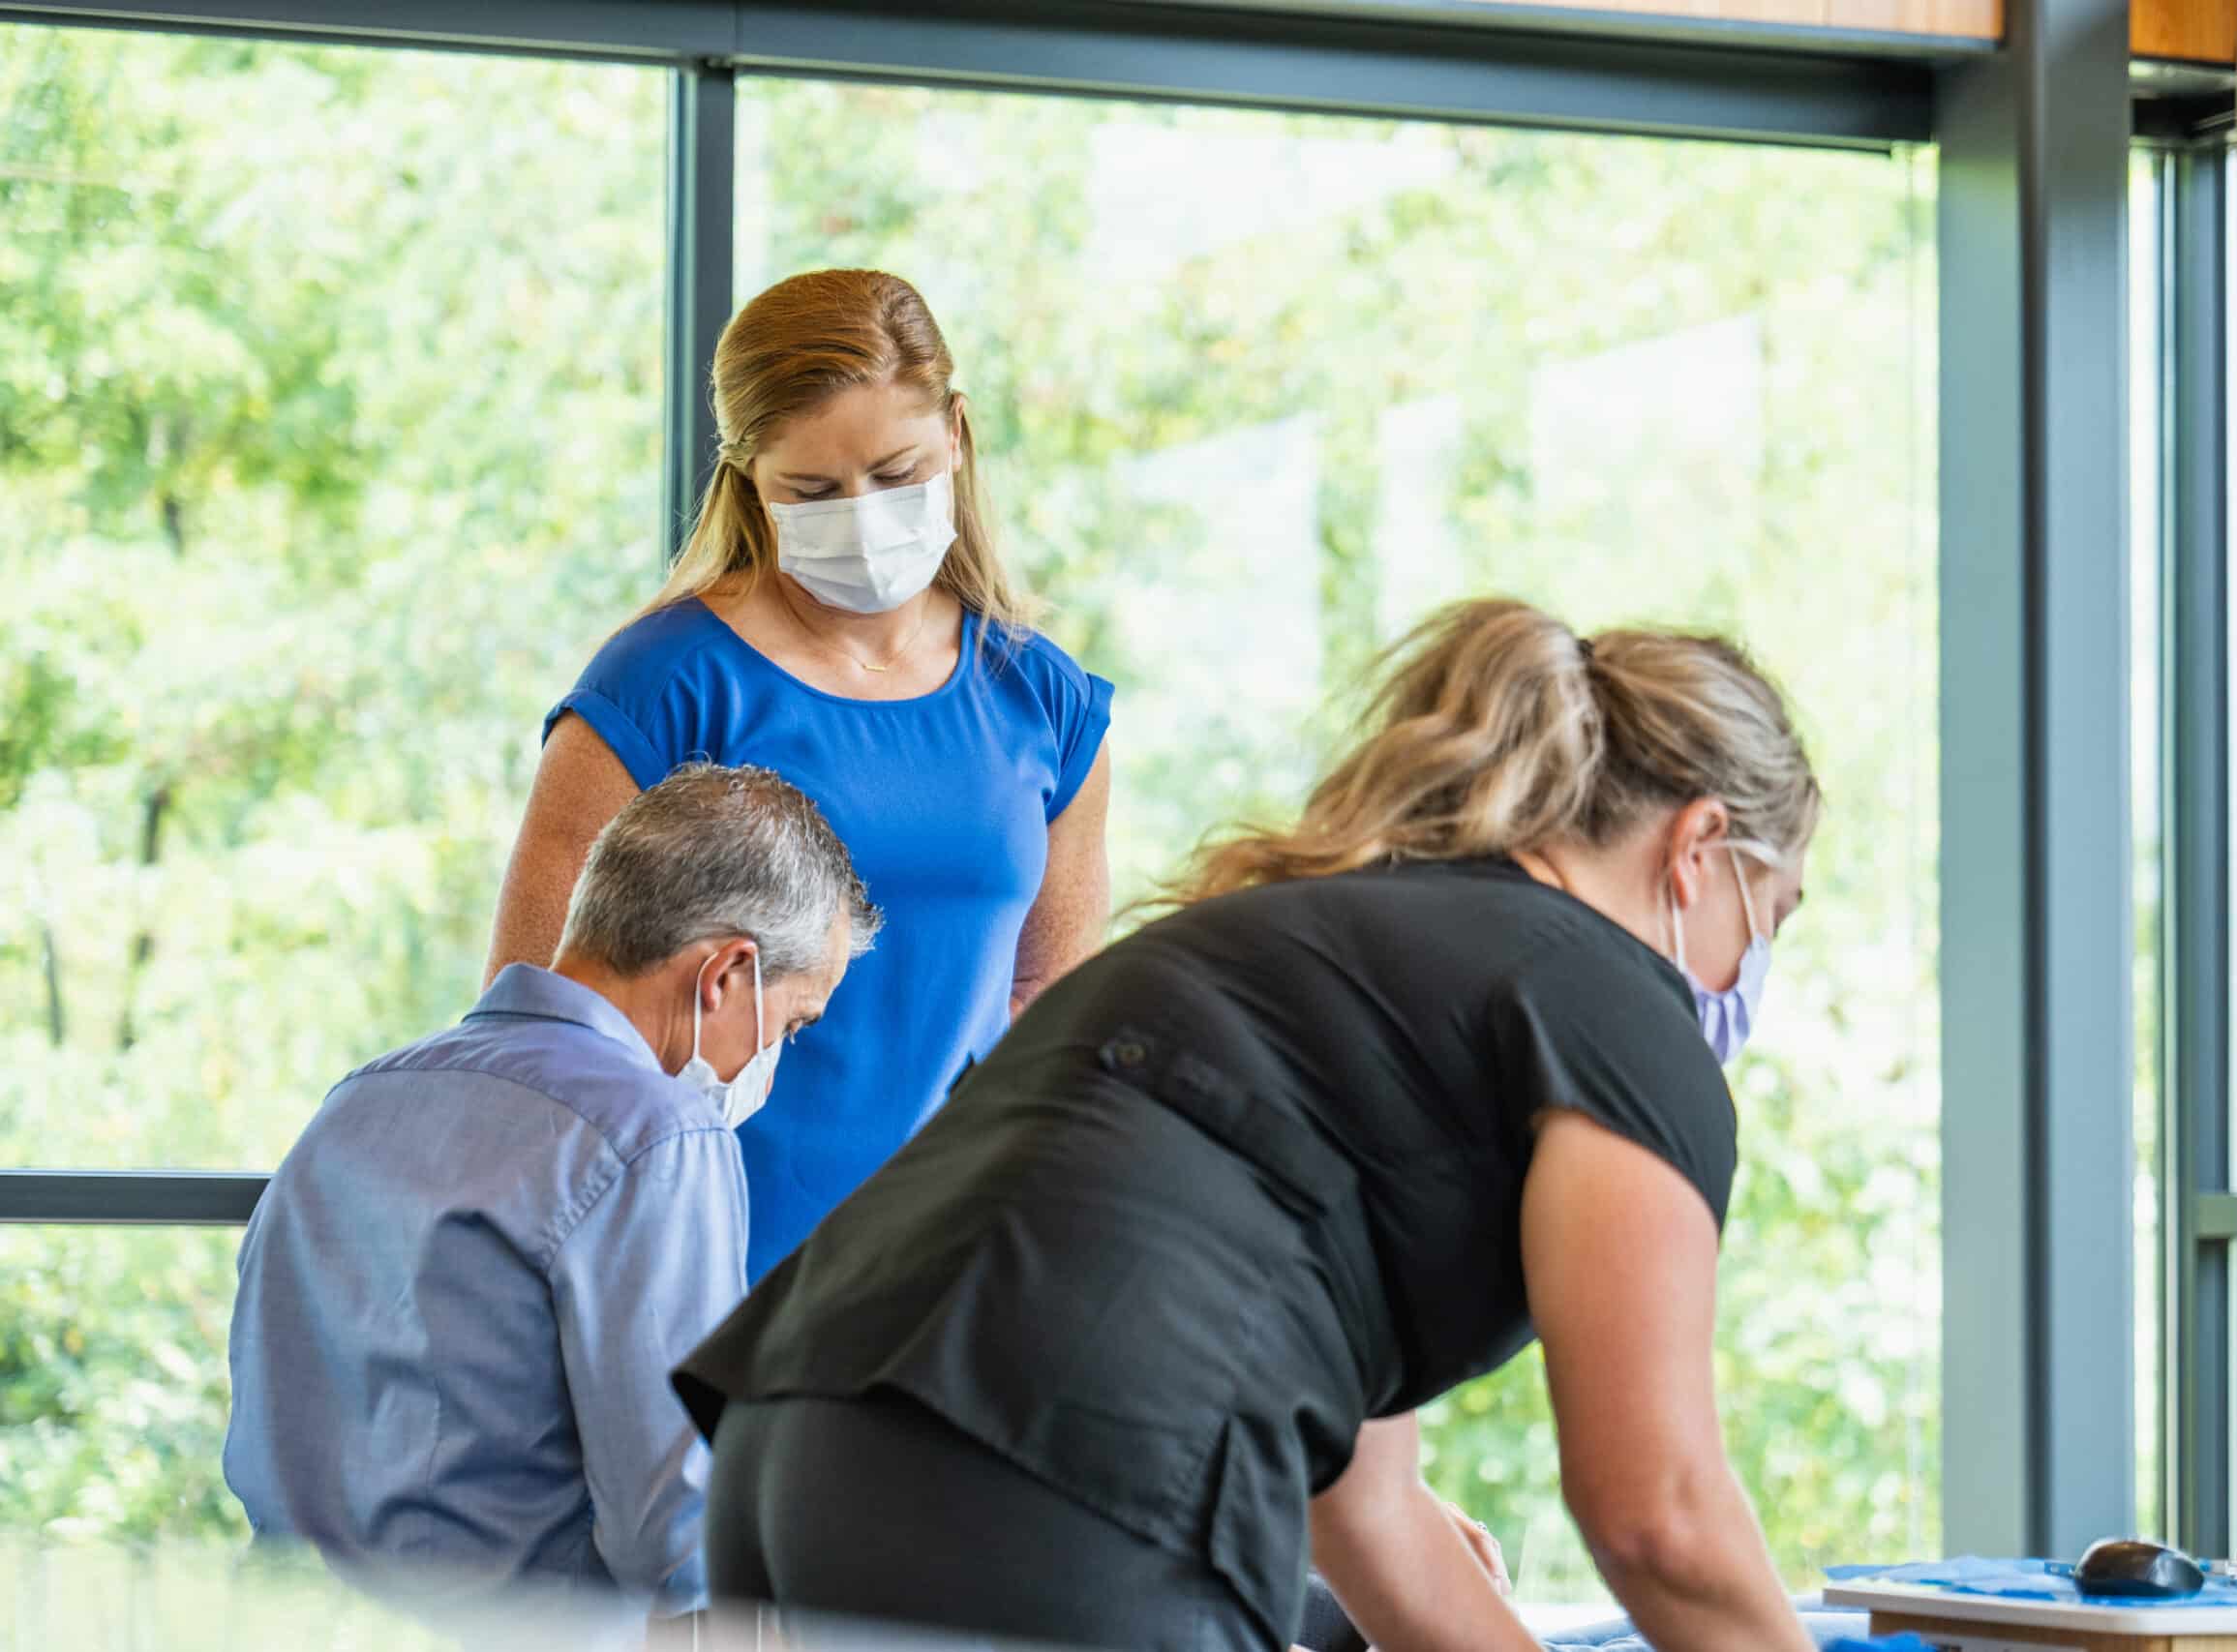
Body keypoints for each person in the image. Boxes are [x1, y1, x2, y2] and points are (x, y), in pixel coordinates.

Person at [675, 599, 1822, 1652]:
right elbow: (1656, 1514)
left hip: (798, 1442)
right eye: (1769, 916)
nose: (1747, 971)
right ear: (1697, 850)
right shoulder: (1620, 1009)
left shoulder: (1318, 945)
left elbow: (1370, 1516)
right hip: (1066, 1463)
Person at [487, 269, 1112, 1280]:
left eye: (896, 471)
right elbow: (532, 1023)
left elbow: (1052, 1006)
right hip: (691, 1268)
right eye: (812, 494)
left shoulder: (1043, 701)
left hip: (955, 1275)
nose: (861, 518)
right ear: (748, 481)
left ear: (955, 432)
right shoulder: (666, 686)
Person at [226, 764, 878, 1624]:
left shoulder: (358, 1099)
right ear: (726, 973)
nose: (773, 1058)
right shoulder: (661, 1133)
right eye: (791, 1023)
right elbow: (678, 1539)